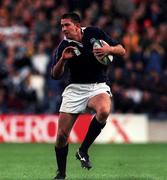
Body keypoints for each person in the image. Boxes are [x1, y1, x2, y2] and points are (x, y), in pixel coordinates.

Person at [51, 12, 126, 179]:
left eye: (67, 25)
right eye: (62, 26)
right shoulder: (64, 47)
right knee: (62, 136)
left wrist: (109, 49)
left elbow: (122, 50)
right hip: (74, 89)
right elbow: (55, 75)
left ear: (77, 26)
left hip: (97, 86)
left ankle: (83, 150)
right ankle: (61, 174)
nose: (63, 28)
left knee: (104, 111)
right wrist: (63, 60)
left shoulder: (94, 33)